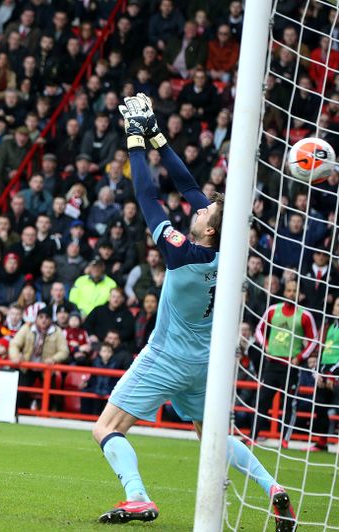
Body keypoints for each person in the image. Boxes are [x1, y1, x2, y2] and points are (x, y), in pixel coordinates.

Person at [92, 94, 293, 527]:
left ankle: (138, 497)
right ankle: (272, 487)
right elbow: (185, 185)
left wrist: (133, 141)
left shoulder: (182, 254)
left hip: (167, 356)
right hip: (205, 361)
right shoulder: (228, 254)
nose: (198, 208)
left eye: (205, 211)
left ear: (210, 228)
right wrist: (158, 137)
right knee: (212, 438)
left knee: (106, 427)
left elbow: (147, 196)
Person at [251, 280, 318, 445]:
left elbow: (314, 340)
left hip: (291, 366)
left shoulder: (305, 315)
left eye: (294, 291)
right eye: (288, 290)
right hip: (272, 364)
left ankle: (285, 441)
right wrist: (265, 346)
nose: (291, 294)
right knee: (263, 401)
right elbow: (259, 329)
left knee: (289, 403)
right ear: (284, 292)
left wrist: (300, 357)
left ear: (299, 294)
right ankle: (252, 437)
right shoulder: (273, 310)